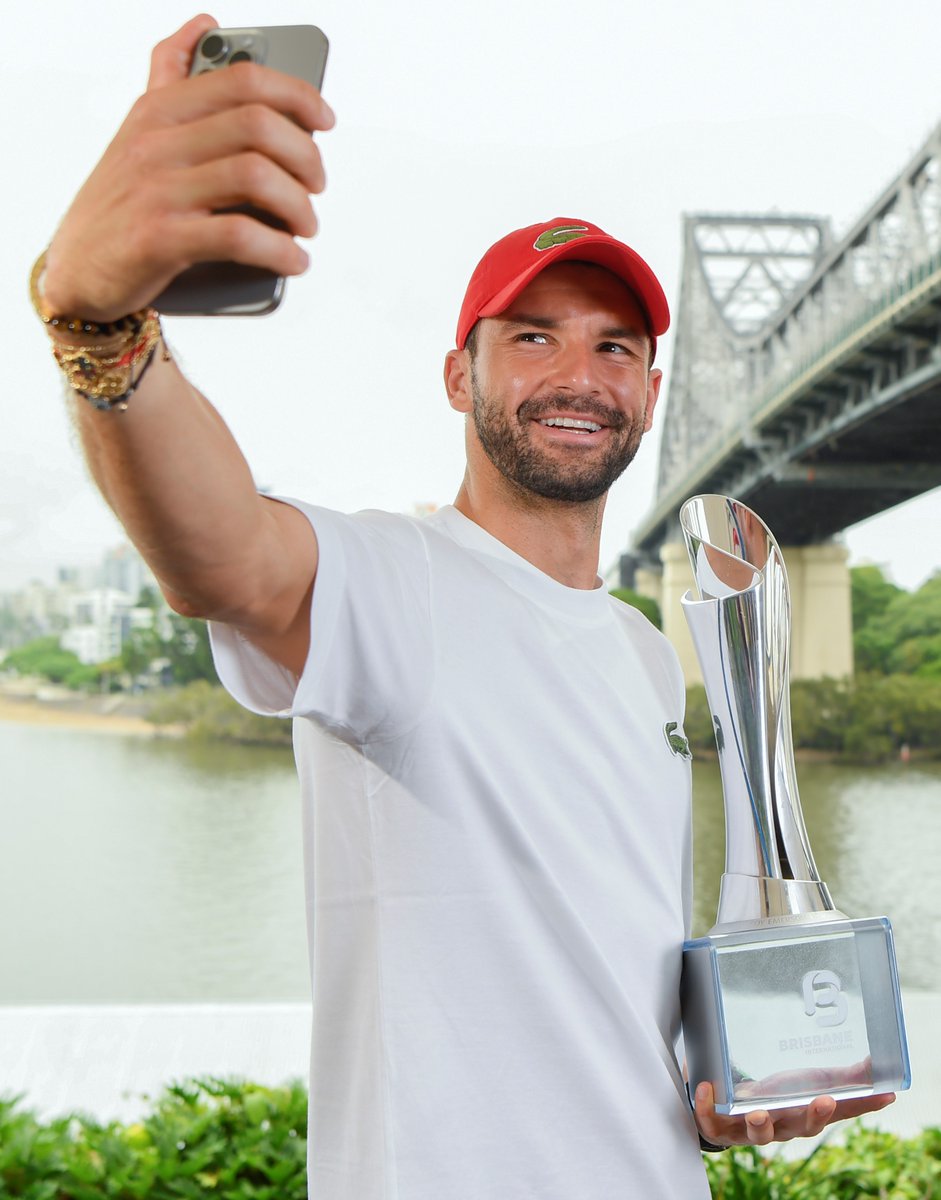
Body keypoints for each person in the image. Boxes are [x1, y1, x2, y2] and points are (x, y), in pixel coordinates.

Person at [31, 15, 895, 1200]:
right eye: (530, 337)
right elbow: (228, 558)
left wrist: (718, 1088)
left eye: (613, 346)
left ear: (651, 392)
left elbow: (610, 963)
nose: (576, 377)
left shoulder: (648, 652)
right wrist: (101, 326)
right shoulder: (397, 584)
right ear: (457, 375)